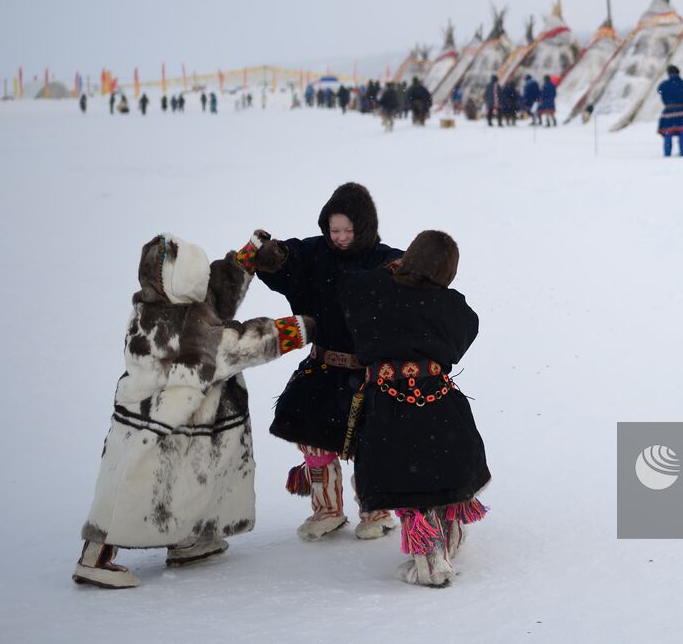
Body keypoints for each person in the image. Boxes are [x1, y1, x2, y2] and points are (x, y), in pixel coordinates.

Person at [72, 231, 314, 589]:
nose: (201, 283)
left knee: (181, 482)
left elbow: (212, 295)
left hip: (161, 415)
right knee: (138, 488)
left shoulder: (156, 305)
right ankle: (94, 558)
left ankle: (190, 541)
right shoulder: (184, 324)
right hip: (165, 421)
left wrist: (246, 260)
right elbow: (234, 346)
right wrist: (297, 329)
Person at [255, 183, 405, 541]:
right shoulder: (314, 253)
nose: (339, 238)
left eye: (348, 231)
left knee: (369, 444)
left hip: (367, 373)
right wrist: (274, 256)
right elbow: (289, 257)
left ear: (365, 228)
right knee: (314, 442)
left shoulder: (384, 259)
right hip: (323, 367)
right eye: (333, 230)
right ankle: (327, 509)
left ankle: (376, 511)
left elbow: (414, 276)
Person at [340, 230, 487, 588]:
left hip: (388, 405)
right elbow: (465, 333)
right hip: (439, 403)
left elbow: (351, 288)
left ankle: (431, 565)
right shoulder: (452, 308)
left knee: (408, 484)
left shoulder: (371, 292)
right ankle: (446, 543)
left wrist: (391, 272)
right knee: (443, 478)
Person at [656, 65, 683, 157]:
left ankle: (667, 153)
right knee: (682, 131)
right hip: (682, 110)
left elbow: (659, 91)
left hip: (669, 110)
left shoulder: (664, 84)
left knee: (668, 132)